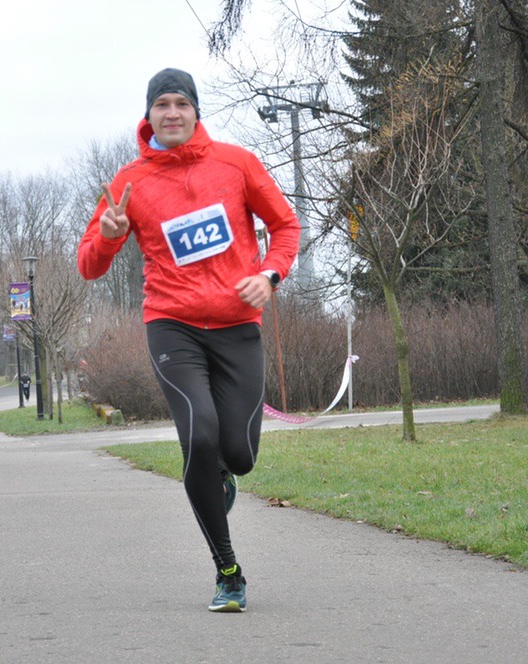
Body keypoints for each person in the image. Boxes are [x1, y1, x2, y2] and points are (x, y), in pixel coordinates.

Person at [78, 68, 300, 613]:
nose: (172, 113)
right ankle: (228, 571)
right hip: (172, 326)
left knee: (238, 456)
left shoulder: (236, 163)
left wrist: (269, 275)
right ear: (148, 115)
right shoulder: (129, 182)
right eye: (162, 105)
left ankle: (221, 475)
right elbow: (88, 265)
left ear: (196, 111)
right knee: (199, 436)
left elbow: (286, 227)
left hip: (236, 325)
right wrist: (107, 239)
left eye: (181, 103)